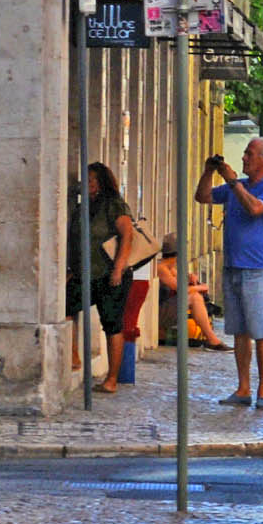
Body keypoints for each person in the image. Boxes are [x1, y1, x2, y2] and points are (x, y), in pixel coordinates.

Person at [196, 138, 263, 410]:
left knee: (260, 332)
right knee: (239, 332)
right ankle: (243, 388)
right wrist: (208, 172)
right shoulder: (238, 187)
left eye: (249, 154)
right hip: (233, 266)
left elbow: (255, 208)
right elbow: (203, 197)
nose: (244, 157)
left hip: (257, 270)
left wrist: (234, 183)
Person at [79, 162, 156, 390]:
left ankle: (112, 379)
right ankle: (73, 357)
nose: (88, 183)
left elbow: (127, 235)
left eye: (92, 179)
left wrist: (118, 267)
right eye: (87, 179)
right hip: (85, 274)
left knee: (112, 324)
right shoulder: (84, 206)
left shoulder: (114, 205)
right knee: (66, 305)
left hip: (111, 274)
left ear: (101, 182)